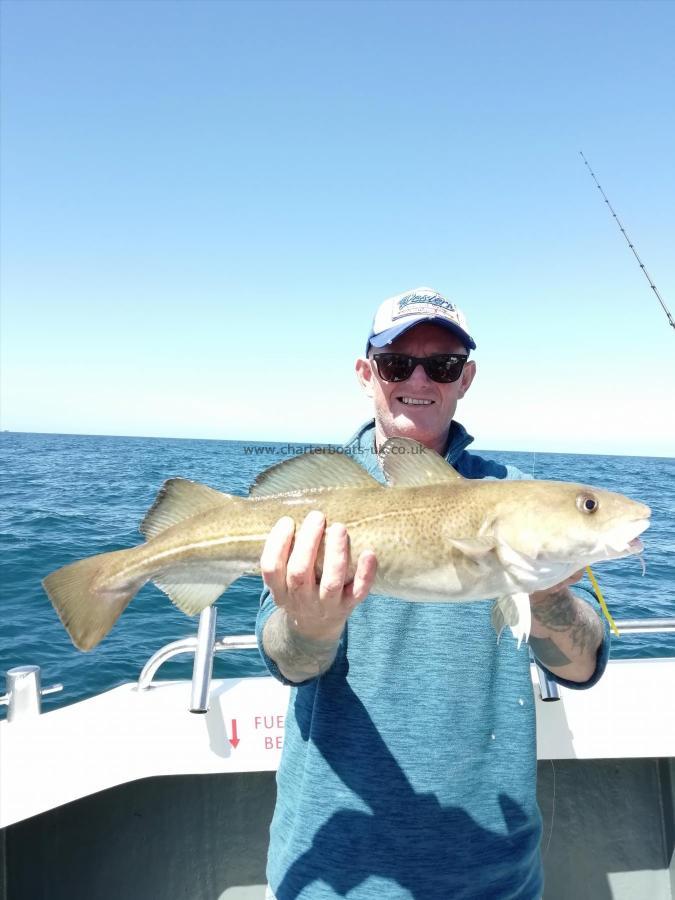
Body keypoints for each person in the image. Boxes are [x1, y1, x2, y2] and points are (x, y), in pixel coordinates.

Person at [255, 287, 609, 900]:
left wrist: (549, 597)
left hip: (495, 876)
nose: (418, 379)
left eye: (441, 365)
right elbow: (285, 660)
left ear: (464, 379)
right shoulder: (316, 504)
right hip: (336, 874)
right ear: (367, 373)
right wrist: (311, 626)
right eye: (397, 363)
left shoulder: (517, 494)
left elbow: (583, 666)